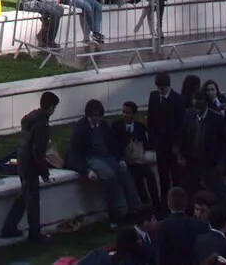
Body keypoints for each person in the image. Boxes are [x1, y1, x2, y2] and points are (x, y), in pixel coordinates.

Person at [0, 90, 60, 245]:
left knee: (24, 195)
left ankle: (9, 227)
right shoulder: (42, 125)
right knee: (32, 199)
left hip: (22, 159)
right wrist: (45, 173)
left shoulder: (31, 117)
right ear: (51, 107)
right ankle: (35, 234)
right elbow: (38, 152)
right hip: (30, 165)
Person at [67, 99, 140, 224]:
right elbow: (75, 154)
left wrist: (120, 159)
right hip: (91, 157)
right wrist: (87, 170)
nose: (98, 119)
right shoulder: (80, 128)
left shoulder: (104, 125)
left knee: (123, 172)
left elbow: (112, 145)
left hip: (106, 155)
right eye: (95, 116)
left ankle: (134, 209)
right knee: (109, 176)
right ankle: (117, 213)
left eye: (99, 116)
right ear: (89, 115)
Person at [147, 71, 185, 202]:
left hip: (173, 145)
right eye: (158, 87)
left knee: (176, 176)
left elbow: (180, 125)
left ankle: (177, 202)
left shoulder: (177, 99)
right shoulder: (154, 97)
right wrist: (153, 139)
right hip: (160, 144)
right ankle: (165, 203)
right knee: (163, 176)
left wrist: (177, 145)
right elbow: (151, 119)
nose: (159, 90)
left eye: (162, 87)